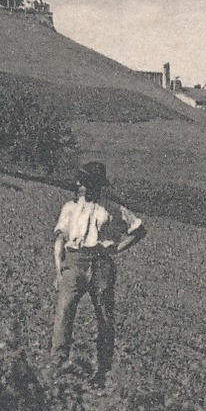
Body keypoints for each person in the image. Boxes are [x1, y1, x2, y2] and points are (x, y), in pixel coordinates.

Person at [50, 161, 146, 386]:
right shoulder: (70, 208)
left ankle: (102, 371)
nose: (84, 187)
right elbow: (59, 240)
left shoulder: (111, 208)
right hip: (74, 262)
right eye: (83, 183)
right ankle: (57, 365)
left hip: (101, 265)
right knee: (64, 312)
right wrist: (58, 271)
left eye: (89, 183)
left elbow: (139, 230)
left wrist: (115, 248)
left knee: (104, 317)